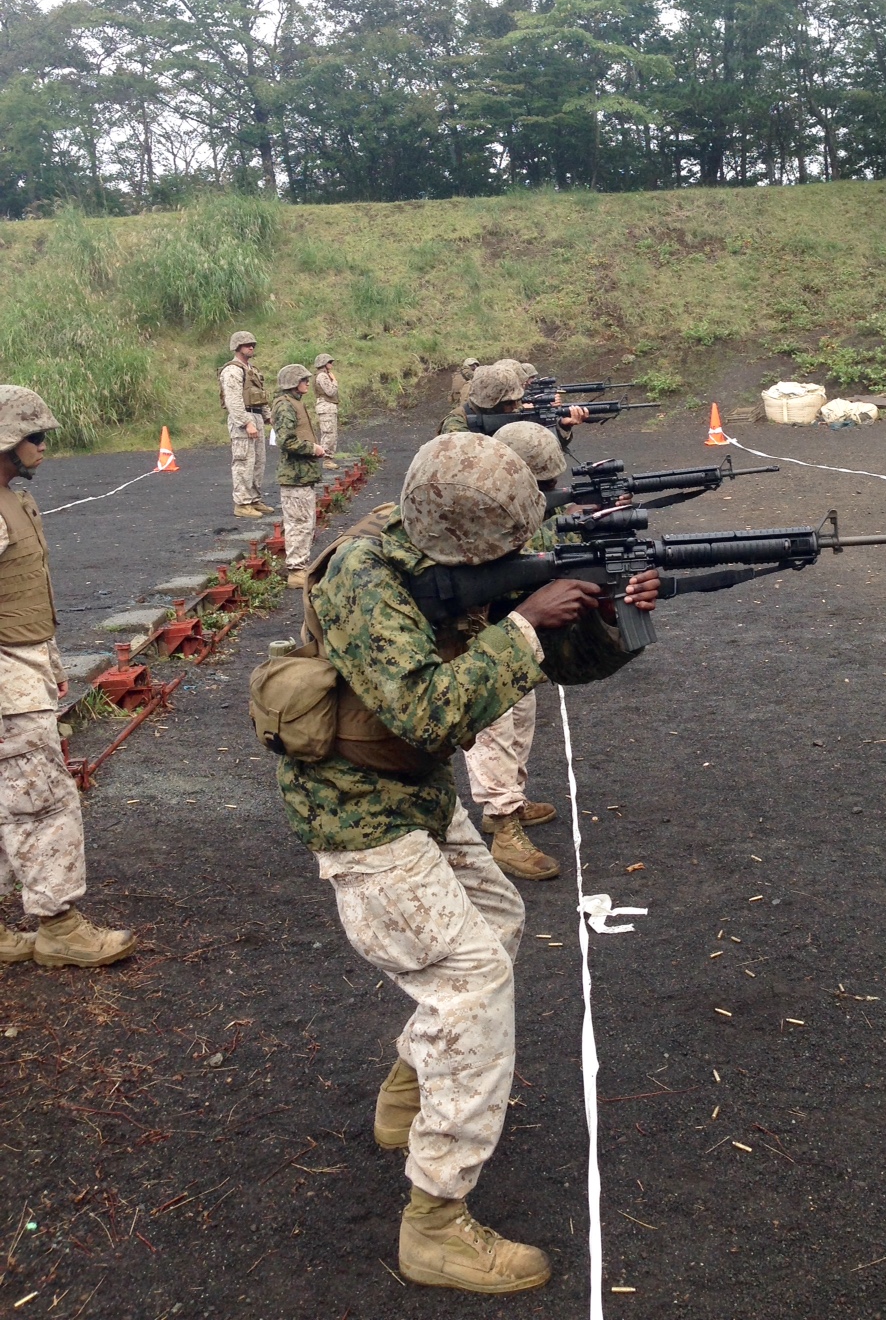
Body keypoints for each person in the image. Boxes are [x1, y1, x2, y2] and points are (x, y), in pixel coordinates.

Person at [272, 433, 658, 1293]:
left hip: (413, 796)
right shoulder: (364, 578)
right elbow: (425, 712)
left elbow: (564, 664)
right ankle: (436, 1224)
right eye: (511, 549)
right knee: (472, 980)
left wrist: (608, 617)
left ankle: (410, 1092)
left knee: (499, 920)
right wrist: (524, 623)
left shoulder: (460, 555)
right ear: (467, 537)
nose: (521, 558)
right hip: (357, 808)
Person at [0, 386, 135, 968]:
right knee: (43, 801)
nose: (44, 446)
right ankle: (58, 926)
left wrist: (47, 669)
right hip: (6, 678)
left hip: (22, 665)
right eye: (34, 436)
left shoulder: (10, 499)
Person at [461, 422, 571, 881]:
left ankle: (506, 802)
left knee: (521, 710)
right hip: (471, 629)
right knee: (492, 723)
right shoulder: (475, 509)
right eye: (541, 483)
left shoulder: (513, 505)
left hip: (504, 624)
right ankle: (503, 829)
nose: (549, 491)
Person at [440, 360, 589, 445]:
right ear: (490, 403)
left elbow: (541, 455)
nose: (515, 406)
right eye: (509, 403)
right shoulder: (456, 425)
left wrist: (563, 426)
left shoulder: (512, 414)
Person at [271, 365, 325, 590]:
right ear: (293, 382)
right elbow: (286, 441)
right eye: (303, 380)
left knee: (304, 524)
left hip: (300, 476)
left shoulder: (294, 403)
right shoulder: (285, 406)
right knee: (299, 524)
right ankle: (296, 570)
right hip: (295, 476)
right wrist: (313, 449)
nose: (306, 383)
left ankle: (300, 566)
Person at [219, 330, 273, 520]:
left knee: (258, 461)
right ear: (237, 347)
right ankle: (242, 503)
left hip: (255, 415)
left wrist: (268, 416)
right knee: (244, 461)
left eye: (253, 344)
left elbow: (260, 394)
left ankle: (254, 499)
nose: (251, 347)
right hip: (244, 418)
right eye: (247, 344)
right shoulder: (232, 370)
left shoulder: (252, 370)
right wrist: (245, 422)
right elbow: (233, 400)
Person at [314, 353, 340, 469]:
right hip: (326, 407)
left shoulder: (324, 375)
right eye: (329, 362)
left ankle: (328, 458)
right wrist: (334, 381)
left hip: (328, 407)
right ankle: (326, 459)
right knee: (328, 433)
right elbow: (330, 391)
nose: (331, 364)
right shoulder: (322, 376)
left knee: (331, 434)